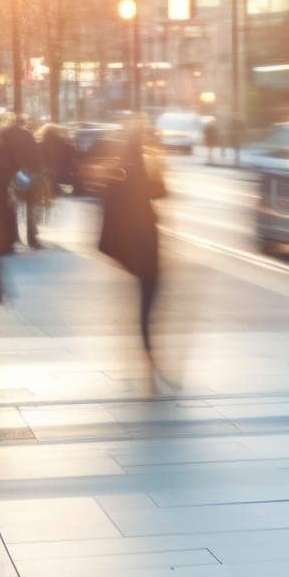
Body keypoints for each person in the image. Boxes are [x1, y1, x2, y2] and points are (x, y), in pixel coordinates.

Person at [97, 125, 167, 386]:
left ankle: (148, 350)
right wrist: (158, 164)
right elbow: (161, 191)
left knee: (147, 297)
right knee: (149, 296)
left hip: (132, 244)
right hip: (145, 241)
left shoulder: (121, 168)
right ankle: (148, 351)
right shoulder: (139, 168)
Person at [3, 115, 43, 249]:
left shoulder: (4, 134)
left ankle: (13, 237)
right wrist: (36, 171)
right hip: (27, 174)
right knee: (30, 206)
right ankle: (32, 239)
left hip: (9, 175)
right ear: (23, 122)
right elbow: (36, 154)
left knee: (11, 206)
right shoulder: (27, 134)